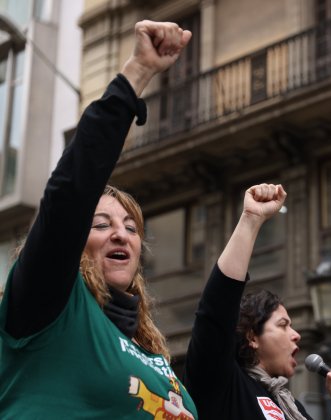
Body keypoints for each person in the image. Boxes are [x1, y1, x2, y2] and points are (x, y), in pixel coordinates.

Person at [0, 21, 197, 419]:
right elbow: (71, 192)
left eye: (130, 226)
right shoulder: (50, 302)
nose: (121, 235)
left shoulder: (149, 350)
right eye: (102, 225)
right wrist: (137, 73)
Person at [185, 183, 331, 420]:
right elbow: (216, 310)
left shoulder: (292, 407)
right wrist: (251, 219)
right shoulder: (224, 384)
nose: (296, 334)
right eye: (283, 325)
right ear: (252, 337)